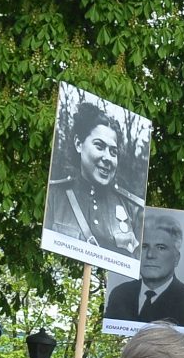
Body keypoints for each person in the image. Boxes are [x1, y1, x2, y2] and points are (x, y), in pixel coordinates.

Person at [45, 104, 142, 256]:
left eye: (113, 151)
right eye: (99, 146)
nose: (107, 158)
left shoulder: (133, 209)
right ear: (79, 144)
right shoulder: (54, 197)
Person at [101, 214, 184, 329]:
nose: (150, 255)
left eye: (161, 247)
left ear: (176, 258)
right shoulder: (120, 294)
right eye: (144, 247)